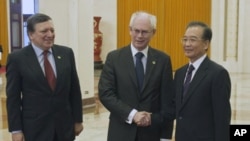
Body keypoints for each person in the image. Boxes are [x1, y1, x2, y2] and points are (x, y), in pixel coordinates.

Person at [98, 11, 175, 141]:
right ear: (130, 30)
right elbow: (106, 93)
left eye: (144, 32)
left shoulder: (163, 60)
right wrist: (132, 114)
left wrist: (165, 137)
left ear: (153, 32)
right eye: (136, 31)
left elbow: (167, 103)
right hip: (121, 132)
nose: (139, 36)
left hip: (151, 134)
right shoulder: (114, 58)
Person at [6, 13, 83, 141]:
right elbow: (13, 98)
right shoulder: (17, 59)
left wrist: (78, 120)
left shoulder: (66, 53)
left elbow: (74, 90)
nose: (50, 35)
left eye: (52, 30)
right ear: (31, 35)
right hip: (35, 128)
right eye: (44, 31)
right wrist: (16, 130)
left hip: (64, 127)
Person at [174, 21, 231, 141]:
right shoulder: (179, 73)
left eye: (192, 40)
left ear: (206, 44)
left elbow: (222, 118)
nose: (187, 44)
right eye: (185, 39)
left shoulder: (217, 74)